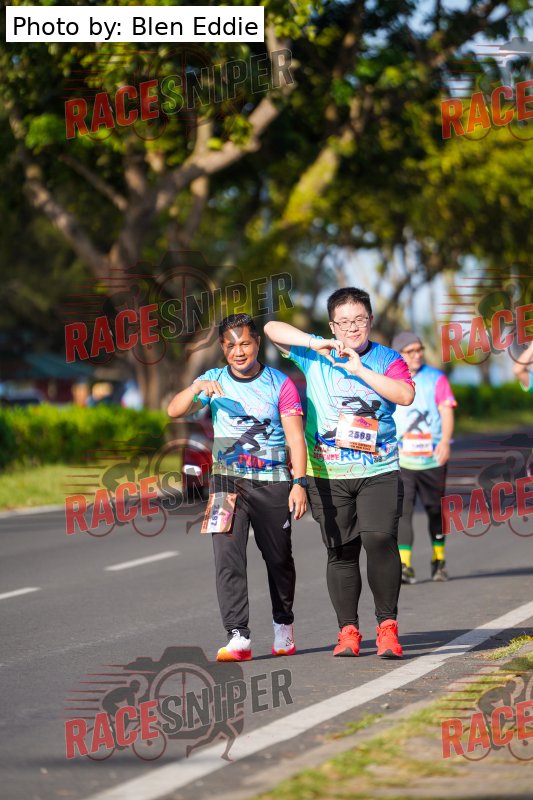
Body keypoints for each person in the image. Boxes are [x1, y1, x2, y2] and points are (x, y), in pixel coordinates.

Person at [265, 288, 415, 659]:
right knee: (341, 551)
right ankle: (348, 631)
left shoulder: (388, 358)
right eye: (344, 322)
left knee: (379, 539)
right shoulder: (316, 353)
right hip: (327, 472)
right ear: (333, 325)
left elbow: (405, 395)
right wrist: (315, 343)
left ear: (370, 321)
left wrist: (360, 369)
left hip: (378, 468)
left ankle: (387, 627)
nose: (352, 328)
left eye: (359, 320)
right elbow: (270, 328)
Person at [167, 314, 307, 662]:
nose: (239, 351)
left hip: (273, 482)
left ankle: (283, 624)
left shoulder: (279, 383)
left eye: (245, 343)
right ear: (222, 347)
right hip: (225, 483)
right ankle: (238, 635)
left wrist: (299, 482)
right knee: (227, 558)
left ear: (257, 342)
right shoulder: (213, 380)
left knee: (279, 558)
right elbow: (173, 410)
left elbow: (295, 437)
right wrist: (195, 388)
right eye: (231, 345)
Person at [391, 332, 457, 583]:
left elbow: (446, 411)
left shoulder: (436, 378)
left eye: (420, 350)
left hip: (432, 457)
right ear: (399, 354)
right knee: (403, 511)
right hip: (402, 459)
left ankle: (439, 560)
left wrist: (445, 441)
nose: (417, 355)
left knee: (434, 510)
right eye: (411, 351)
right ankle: (404, 565)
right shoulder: (390, 378)